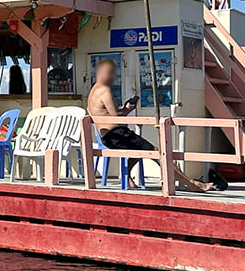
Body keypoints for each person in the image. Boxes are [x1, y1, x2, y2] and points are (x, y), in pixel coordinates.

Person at [88, 59, 216, 193]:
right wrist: (127, 110)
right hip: (117, 134)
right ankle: (192, 184)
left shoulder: (93, 91)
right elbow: (116, 116)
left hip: (108, 136)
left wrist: (126, 109)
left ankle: (126, 177)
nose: (114, 76)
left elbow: (108, 114)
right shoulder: (104, 90)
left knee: (140, 152)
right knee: (157, 153)